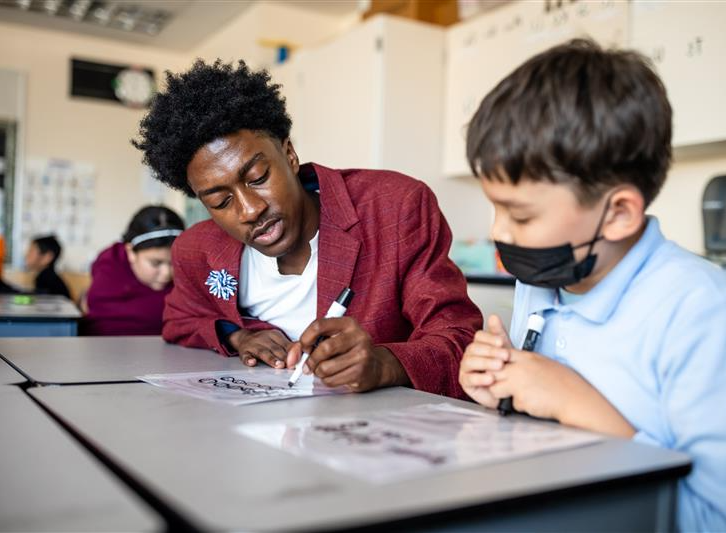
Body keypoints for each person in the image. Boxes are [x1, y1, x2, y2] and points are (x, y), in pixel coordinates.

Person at [458, 39, 726, 532]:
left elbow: (725, 523)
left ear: (619, 213)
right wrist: (500, 390)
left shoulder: (705, 312)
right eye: (496, 207)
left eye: (519, 214)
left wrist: (571, 401)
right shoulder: (545, 282)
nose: (497, 231)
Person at [131, 59, 482, 398]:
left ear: (290, 155)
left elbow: (460, 338)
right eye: (221, 202)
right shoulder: (196, 248)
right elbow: (180, 319)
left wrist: (386, 364)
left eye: (258, 178)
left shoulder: (394, 206)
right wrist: (238, 336)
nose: (250, 210)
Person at [80, 205, 184, 336]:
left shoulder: (188, 270)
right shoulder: (110, 265)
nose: (167, 273)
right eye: (155, 263)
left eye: (174, 262)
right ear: (131, 252)